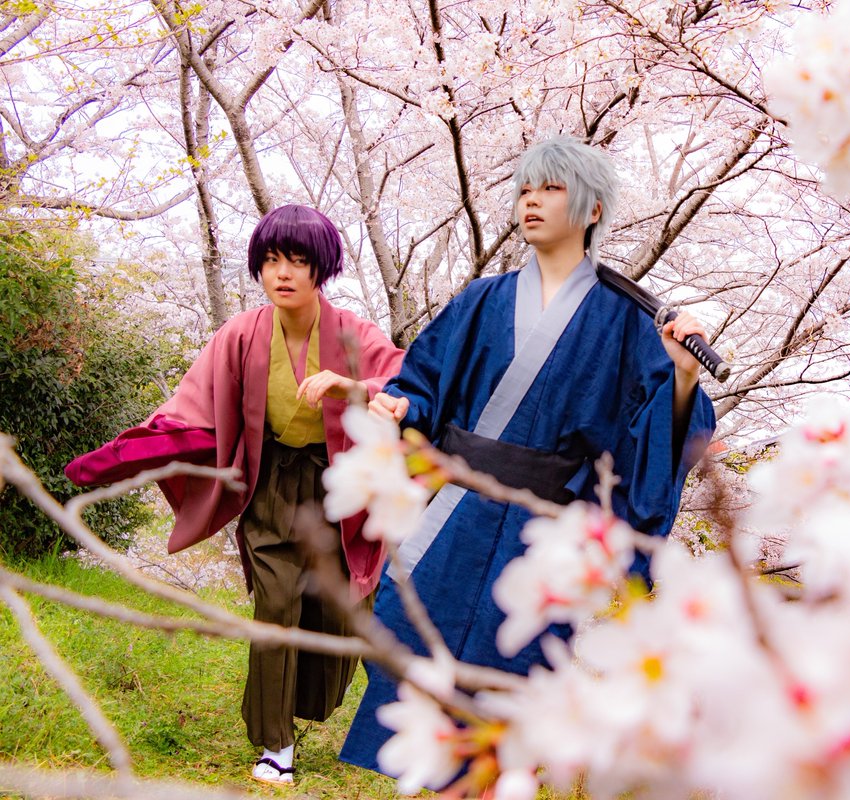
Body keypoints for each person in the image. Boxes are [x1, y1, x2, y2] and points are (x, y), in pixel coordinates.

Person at [339, 137, 716, 779]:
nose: (531, 201)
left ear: (593, 210)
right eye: (524, 189)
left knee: (510, 686)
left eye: (551, 188)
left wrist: (682, 377)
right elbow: (424, 380)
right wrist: (403, 405)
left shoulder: (630, 320)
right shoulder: (481, 300)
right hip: (454, 514)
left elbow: (663, 434)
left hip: (542, 533)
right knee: (416, 665)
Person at [65, 205, 406, 786]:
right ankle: (276, 742)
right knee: (276, 604)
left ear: (322, 267)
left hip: (340, 487)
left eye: (297, 260)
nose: (283, 272)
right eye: (271, 260)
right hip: (269, 483)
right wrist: (132, 452)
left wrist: (354, 385)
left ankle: (304, 705)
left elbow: (404, 384)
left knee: (336, 611)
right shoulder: (241, 334)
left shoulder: (355, 333)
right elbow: (191, 405)